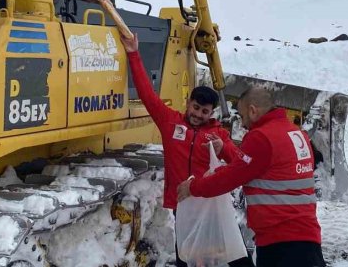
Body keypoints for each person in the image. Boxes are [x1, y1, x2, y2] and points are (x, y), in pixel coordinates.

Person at [120, 33, 253, 267]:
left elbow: (237, 162)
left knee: (231, 254)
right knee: (186, 255)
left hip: (210, 206)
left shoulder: (218, 133)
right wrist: (133, 53)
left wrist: (223, 148)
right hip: (183, 205)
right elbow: (147, 96)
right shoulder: (170, 123)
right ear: (188, 104)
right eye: (196, 107)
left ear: (211, 113)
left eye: (205, 111)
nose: (198, 114)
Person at [177, 86, 326, 267]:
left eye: (242, 116)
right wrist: (224, 149)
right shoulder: (295, 133)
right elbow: (252, 166)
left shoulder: (261, 137)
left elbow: (231, 177)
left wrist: (193, 187)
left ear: (253, 110)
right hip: (306, 239)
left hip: (281, 244)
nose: (243, 124)